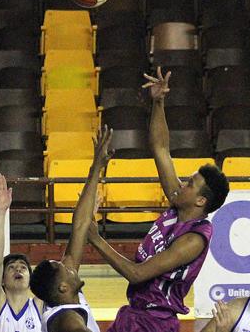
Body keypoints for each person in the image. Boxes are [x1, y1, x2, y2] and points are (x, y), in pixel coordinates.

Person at [86, 67, 230, 332]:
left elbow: (137, 273)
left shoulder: (193, 240)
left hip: (155, 323)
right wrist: (159, 102)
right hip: (133, 313)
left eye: (190, 184)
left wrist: (95, 238)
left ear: (200, 201)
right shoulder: (178, 202)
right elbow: (161, 148)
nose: (182, 183)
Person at [29, 126, 114, 332]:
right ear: (63, 287)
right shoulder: (68, 320)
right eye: (64, 268)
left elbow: (79, 226)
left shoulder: (64, 302)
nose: (69, 263)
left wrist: (96, 168)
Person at [0, 173, 43, 332]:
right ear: (1, 280)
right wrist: (1, 212)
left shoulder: (40, 307)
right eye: (11, 267)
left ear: (31, 279)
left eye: (23, 267)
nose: (18, 269)